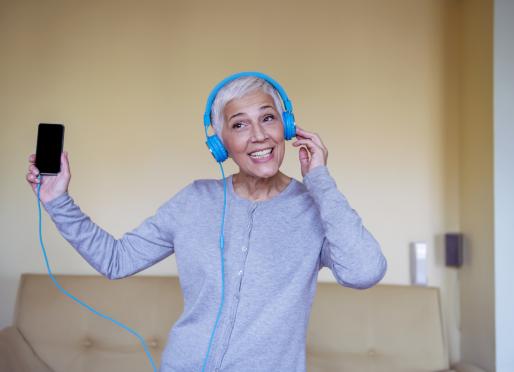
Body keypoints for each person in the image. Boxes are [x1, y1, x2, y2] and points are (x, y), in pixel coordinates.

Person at [25, 75, 387, 371]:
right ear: (220, 144)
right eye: (239, 124)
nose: (259, 135)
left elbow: (364, 271)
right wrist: (58, 201)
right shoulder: (194, 200)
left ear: (287, 126)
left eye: (268, 118)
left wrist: (320, 180)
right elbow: (116, 260)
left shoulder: (315, 208)